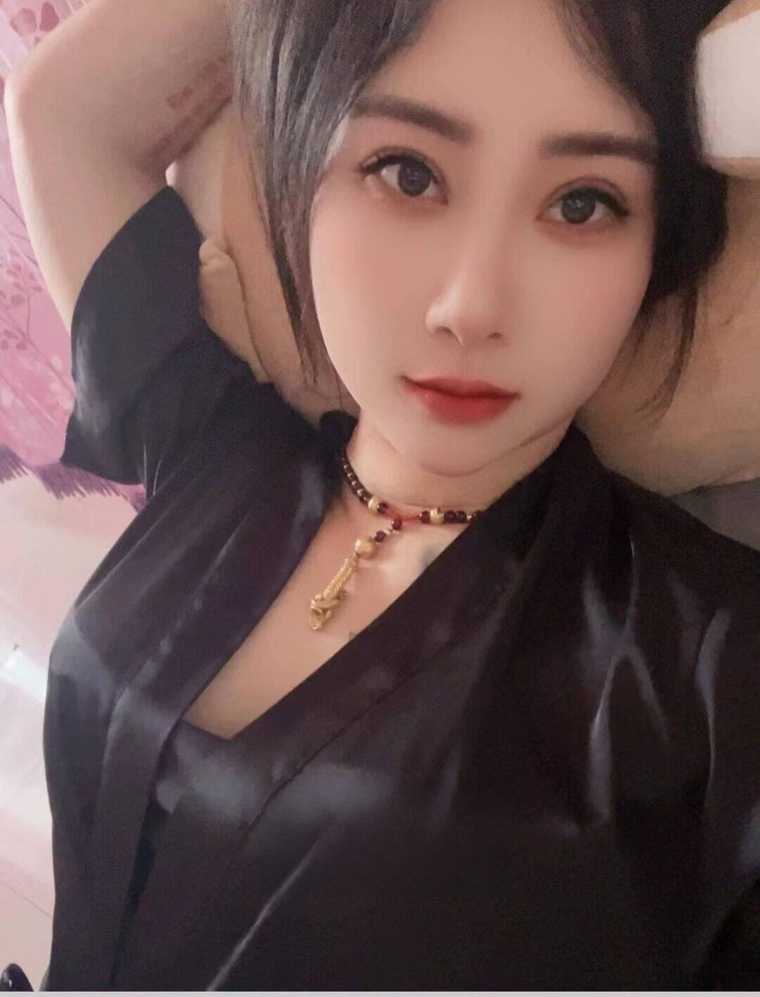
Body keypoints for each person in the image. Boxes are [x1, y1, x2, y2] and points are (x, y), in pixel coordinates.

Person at [4, 0, 760, 988]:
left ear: (655, 250)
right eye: (406, 172)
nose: (470, 306)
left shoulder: (711, 661)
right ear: (299, 173)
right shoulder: (211, 442)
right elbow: (66, 111)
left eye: (582, 204)